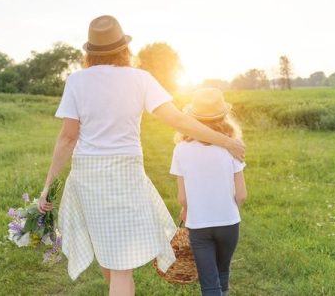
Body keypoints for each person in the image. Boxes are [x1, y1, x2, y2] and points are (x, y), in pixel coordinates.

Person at [37, 15, 245, 296]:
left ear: (90, 52)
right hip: (125, 174)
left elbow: (68, 137)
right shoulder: (140, 79)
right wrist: (225, 141)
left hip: (87, 177)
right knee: (119, 266)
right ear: (124, 48)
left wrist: (48, 185)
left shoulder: (77, 81)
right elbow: (178, 121)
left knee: (110, 258)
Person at [170, 88, 247, 296]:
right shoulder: (233, 148)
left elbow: (182, 198)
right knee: (223, 273)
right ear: (224, 116)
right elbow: (241, 195)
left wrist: (186, 209)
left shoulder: (181, 150)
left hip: (199, 225)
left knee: (209, 284)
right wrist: (227, 209)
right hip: (229, 223)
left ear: (192, 119)